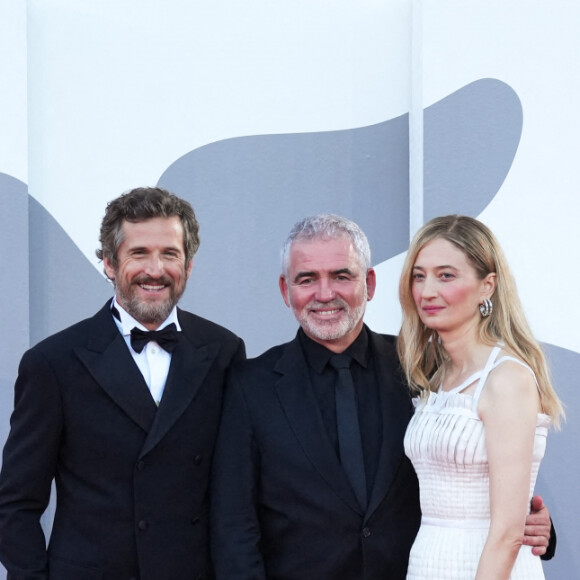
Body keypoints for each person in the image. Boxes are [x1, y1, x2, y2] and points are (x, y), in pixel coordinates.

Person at [210, 213, 553, 580]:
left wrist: (533, 526)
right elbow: (233, 527)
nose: (325, 294)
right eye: (307, 279)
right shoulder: (251, 385)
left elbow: (474, 466)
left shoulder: (421, 369)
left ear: (369, 283)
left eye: (342, 276)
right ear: (285, 290)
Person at [0, 187, 245, 580]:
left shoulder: (223, 351)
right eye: (139, 253)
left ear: (189, 265)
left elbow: (237, 494)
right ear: (110, 264)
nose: (155, 269)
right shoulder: (53, 362)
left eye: (169, 254)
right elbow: (16, 503)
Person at [398, 214, 564, 580]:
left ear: (487, 285)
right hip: (429, 562)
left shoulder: (507, 379)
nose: (427, 291)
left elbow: (507, 532)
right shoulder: (435, 377)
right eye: (419, 275)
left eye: (446, 275)